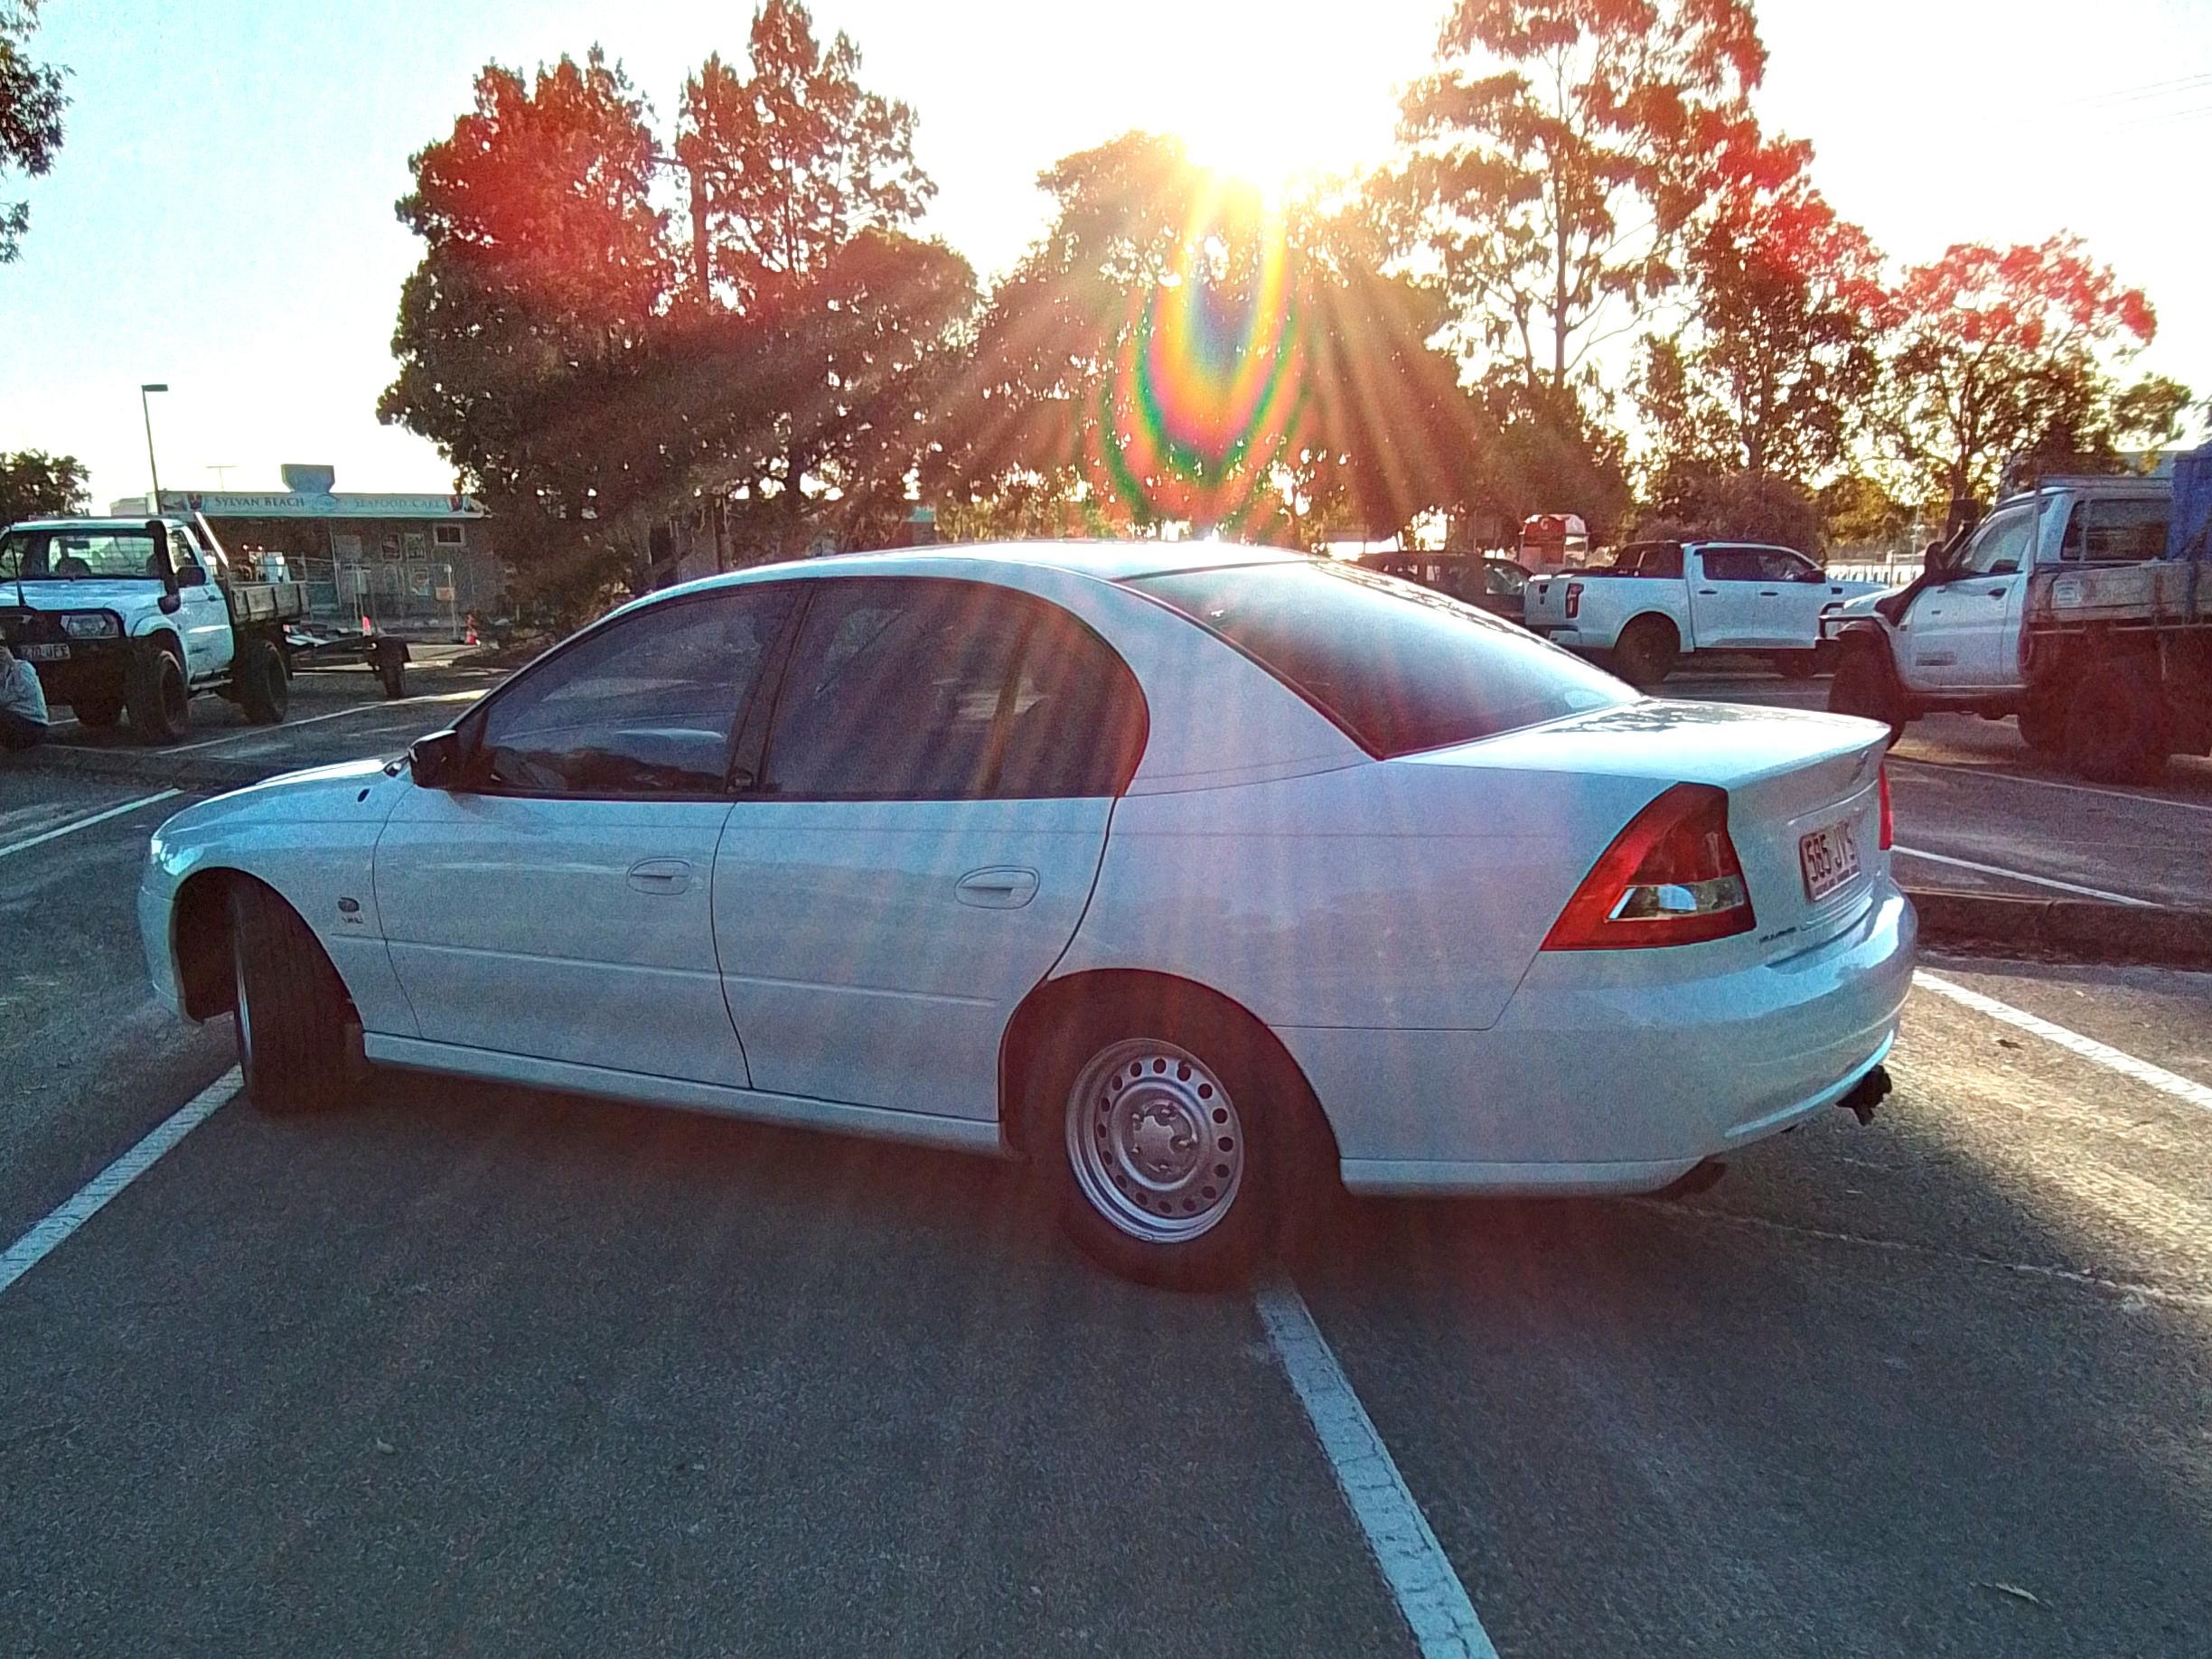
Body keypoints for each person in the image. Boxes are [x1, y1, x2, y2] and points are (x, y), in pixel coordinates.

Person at [0, 642, 52, 751]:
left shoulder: (23, 668)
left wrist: (11, 663)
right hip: (15, 722)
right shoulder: (2, 674)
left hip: (33, 723)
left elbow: (22, 693)